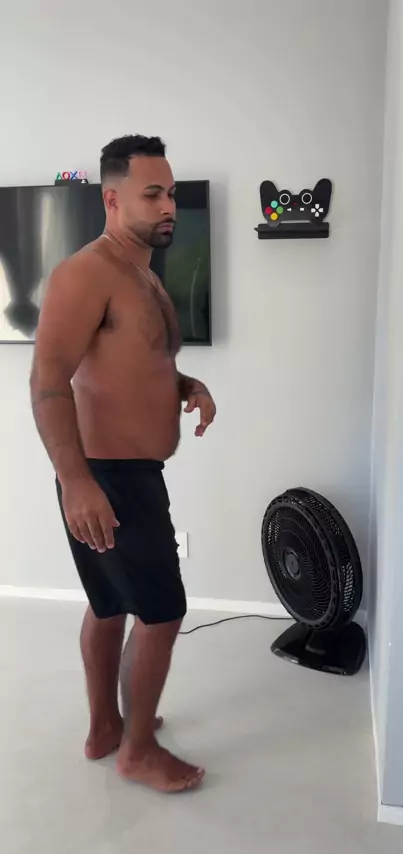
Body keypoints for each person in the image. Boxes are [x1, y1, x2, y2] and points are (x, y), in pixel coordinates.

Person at [30, 135, 216, 793]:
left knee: (108, 605)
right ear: (112, 200)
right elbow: (47, 383)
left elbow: (139, 364)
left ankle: (107, 728)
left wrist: (186, 384)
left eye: (172, 194)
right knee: (161, 613)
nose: (169, 207)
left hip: (125, 474)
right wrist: (77, 482)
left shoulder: (141, 275)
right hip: (108, 478)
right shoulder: (86, 274)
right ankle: (137, 751)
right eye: (152, 194)